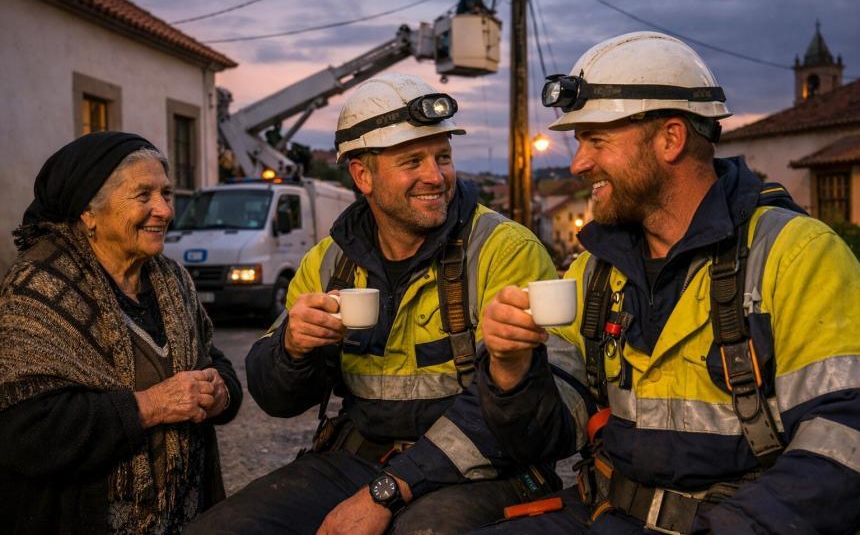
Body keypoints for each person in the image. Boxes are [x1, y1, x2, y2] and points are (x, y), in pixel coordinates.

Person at [475, 31, 860, 534]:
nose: (578, 163)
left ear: (670, 139)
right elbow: (545, 435)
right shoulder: (596, 271)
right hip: (604, 513)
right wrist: (511, 370)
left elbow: (845, 440)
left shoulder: (796, 254)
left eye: (597, 140)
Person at [186, 72, 575, 535]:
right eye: (412, 161)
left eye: (443, 157)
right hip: (358, 461)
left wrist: (388, 490)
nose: (435, 176)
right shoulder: (329, 260)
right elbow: (274, 399)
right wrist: (293, 349)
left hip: (486, 470)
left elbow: (530, 416)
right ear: (362, 175)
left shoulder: (503, 249)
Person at [0, 132, 243, 534]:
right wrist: (151, 405)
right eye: (143, 195)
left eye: (166, 193)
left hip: (186, 515)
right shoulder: (39, 288)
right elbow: (24, 429)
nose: (163, 210)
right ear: (87, 213)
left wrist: (221, 393)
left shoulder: (172, 278)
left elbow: (212, 357)